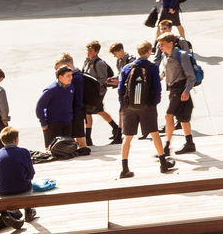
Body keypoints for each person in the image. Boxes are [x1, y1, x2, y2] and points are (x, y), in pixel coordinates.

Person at [117, 42, 174, 178]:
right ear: (149, 51)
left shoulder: (127, 67)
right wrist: (154, 103)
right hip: (147, 106)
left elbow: (120, 88)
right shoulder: (152, 67)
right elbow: (157, 88)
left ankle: (124, 168)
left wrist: (123, 104)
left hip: (129, 107)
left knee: (127, 138)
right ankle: (163, 164)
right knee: (154, 134)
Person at [157, 32, 199, 156]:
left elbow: (191, 76)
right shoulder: (165, 55)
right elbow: (166, 68)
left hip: (180, 89)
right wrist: (162, 75)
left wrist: (186, 91)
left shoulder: (182, 56)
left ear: (171, 43)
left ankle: (166, 147)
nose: (160, 47)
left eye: (162, 44)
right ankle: (190, 144)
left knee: (168, 116)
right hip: (173, 89)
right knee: (184, 118)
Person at [0, 126, 38, 223]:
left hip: (1, 189)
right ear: (16, 140)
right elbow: (31, 172)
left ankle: (5, 213)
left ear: (2, 141)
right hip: (22, 187)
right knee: (28, 183)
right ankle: (28, 211)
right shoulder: (24, 152)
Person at [80, 41, 123, 144]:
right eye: (87, 50)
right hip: (89, 93)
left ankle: (88, 138)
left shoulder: (99, 64)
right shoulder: (86, 62)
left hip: (97, 92)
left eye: (91, 50)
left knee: (89, 112)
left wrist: (92, 85)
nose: (88, 52)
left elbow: (103, 80)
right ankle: (115, 127)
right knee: (97, 111)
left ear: (96, 51)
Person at [36, 65, 80, 153]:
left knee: (68, 150)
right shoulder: (51, 90)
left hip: (67, 123)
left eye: (71, 75)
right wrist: (43, 123)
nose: (71, 78)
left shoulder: (71, 87)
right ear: (60, 77)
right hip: (53, 125)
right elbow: (39, 107)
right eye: (68, 76)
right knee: (52, 151)